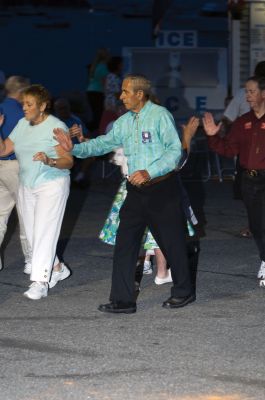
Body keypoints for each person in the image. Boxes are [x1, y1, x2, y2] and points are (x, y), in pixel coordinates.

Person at [54, 73, 199, 313]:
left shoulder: (160, 116)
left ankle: (183, 292)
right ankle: (123, 300)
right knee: (125, 244)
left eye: (125, 92)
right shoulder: (124, 121)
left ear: (139, 94)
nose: (121, 96)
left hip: (162, 188)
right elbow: (103, 143)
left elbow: (174, 152)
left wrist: (149, 172)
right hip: (135, 191)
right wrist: (75, 148)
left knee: (171, 243)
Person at [0, 84, 73, 299]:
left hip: (52, 184)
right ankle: (58, 268)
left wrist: (49, 160)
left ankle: (40, 281)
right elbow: (4, 150)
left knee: (44, 232)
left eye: (29, 104)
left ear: (42, 106)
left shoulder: (56, 126)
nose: (24, 107)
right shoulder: (22, 124)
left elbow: (68, 161)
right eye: (23, 103)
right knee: (32, 234)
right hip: (26, 184)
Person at [202, 75, 265, 288]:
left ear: (264, 94)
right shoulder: (242, 122)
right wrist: (213, 136)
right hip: (250, 180)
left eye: (251, 91)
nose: (247, 96)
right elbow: (228, 150)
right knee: (257, 226)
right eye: (246, 91)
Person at [222, 61, 265, 238]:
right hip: (246, 156)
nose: (249, 95)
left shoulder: (241, 94)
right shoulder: (244, 96)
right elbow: (228, 118)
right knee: (251, 199)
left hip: (248, 159)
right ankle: (254, 225)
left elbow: (227, 117)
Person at [0, 75, 31, 271]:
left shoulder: (2, 106)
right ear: (21, 92)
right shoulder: (22, 113)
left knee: (0, 215)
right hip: (15, 165)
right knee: (27, 214)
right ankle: (31, 259)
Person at [86, 48, 110, 133]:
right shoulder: (103, 67)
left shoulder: (95, 66)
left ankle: (90, 130)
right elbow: (104, 82)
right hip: (98, 92)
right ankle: (92, 131)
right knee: (99, 114)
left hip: (90, 91)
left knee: (95, 113)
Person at [99, 56, 123, 134]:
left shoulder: (108, 76)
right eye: (121, 64)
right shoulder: (114, 78)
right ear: (118, 65)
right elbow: (117, 93)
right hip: (113, 104)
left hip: (108, 102)